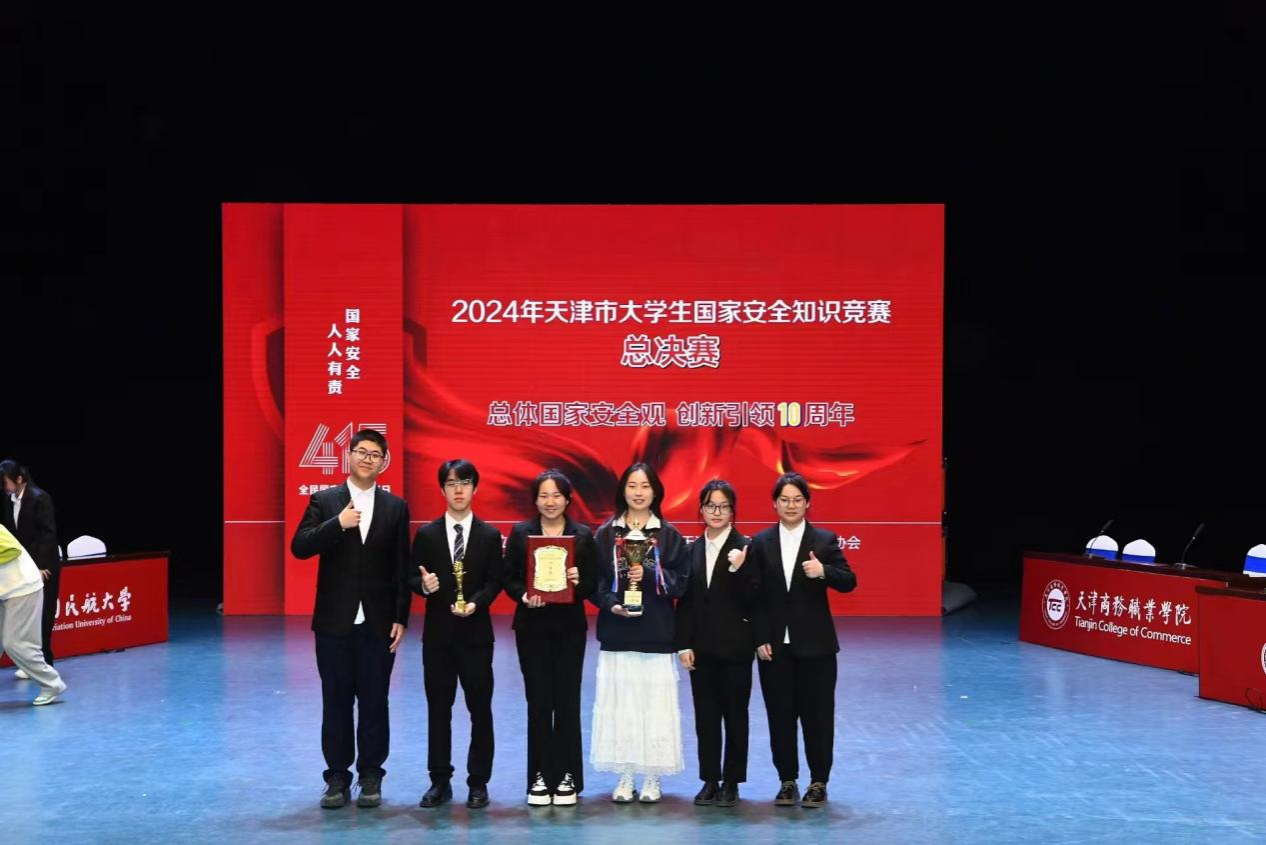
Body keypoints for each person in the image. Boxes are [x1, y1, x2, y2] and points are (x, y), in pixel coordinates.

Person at [290, 430, 411, 810]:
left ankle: (371, 775)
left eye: (375, 454)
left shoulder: (395, 507)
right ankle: (337, 778)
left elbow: (402, 567)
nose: (367, 458)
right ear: (349, 455)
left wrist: (401, 617)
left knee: (375, 701)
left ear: (384, 462)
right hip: (333, 623)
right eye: (361, 451)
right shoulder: (325, 501)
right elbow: (300, 546)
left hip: (378, 624)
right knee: (336, 701)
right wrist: (337, 523)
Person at [750, 471, 857, 808]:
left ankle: (818, 781)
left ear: (807, 503)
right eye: (784, 500)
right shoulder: (760, 542)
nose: (791, 505)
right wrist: (759, 638)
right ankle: (787, 781)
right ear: (775, 504)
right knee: (780, 717)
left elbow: (849, 581)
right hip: (774, 648)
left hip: (816, 647)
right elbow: (753, 596)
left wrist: (823, 571)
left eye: (797, 499)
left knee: (818, 717)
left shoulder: (824, 540)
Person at [589, 462, 688, 803]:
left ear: (655, 491)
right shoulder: (606, 534)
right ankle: (625, 774)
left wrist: (648, 572)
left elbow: (681, 583)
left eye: (645, 486)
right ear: (623, 490)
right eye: (632, 485)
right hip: (617, 632)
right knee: (622, 705)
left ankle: (653, 776)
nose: (638, 492)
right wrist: (611, 603)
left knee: (654, 706)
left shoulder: (669, 535)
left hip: (656, 633)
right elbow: (595, 582)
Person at [410, 459, 504, 810]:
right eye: (451, 483)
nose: (458, 489)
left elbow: (495, 581)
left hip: (476, 636)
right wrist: (424, 586)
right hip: (438, 638)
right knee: (438, 709)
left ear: (475, 488)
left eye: (464, 482)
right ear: (442, 490)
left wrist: (477, 603)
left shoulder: (489, 535)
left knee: (480, 709)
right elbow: (410, 577)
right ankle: (439, 780)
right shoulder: (427, 535)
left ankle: (478, 781)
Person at [503, 469, 598, 806]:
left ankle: (568, 775)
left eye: (556, 495)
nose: (550, 501)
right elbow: (509, 578)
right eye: (543, 495)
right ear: (535, 500)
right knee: (539, 703)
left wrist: (578, 581)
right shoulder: (521, 533)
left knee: (567, 704)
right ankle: (540, 776)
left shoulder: (582, 535)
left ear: (568, 499)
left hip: (570, 629)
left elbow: (593, 583)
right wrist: (523, 595)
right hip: (532, 629)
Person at [676, 479, 756, 807]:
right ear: (701, 510)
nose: (717, 512)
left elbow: (757, 598)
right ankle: (710, 779)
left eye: (723, 506)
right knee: (705, 718)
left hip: (736, 648)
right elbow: (686, 602)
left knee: (735, 716)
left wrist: (740, 569)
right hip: (702, 650)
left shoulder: (748, 547)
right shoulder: (691, 550)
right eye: (711, 506)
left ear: (733, 511)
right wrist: (684, 644)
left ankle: (732, 782)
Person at [0, 460, 59, 674]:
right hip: (23, 569)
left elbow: (48, 536)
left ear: (19, 479)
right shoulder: (9, 501)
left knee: (43, 619)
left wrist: (40, 567)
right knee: (25, 624)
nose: (3, 487)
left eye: (5, 482)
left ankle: (45, 664)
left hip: (44, 567)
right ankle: (29, 665)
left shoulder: (40, 498)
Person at [0, 524, 66, 705]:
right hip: (4, 590)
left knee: (16, 643)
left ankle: (52, 684)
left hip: (22, 587)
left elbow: (12, 550)